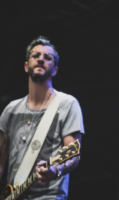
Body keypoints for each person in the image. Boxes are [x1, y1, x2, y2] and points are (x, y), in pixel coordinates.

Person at [0, 36, 85, 199]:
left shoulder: (67, 104)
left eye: (47, 57)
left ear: (55, 70)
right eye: (35, 55)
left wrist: (56, 170)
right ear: (26, 66)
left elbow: (73, 154)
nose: (41, 59)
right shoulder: (11, 110)